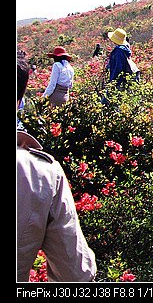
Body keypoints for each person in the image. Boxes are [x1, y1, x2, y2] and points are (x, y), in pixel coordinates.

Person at [17, 53, 97, 282]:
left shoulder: (56, 67)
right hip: (65, 97)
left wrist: (44, 98)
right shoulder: (42, 173)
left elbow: (51, 85)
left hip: (55, 97)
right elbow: (75, 276)